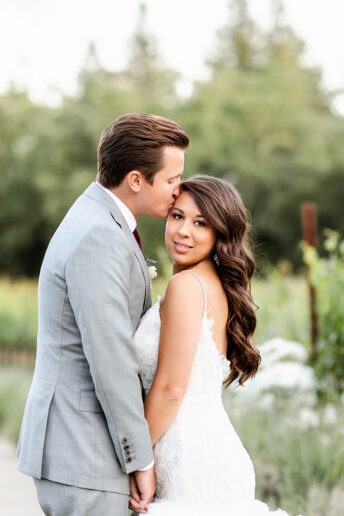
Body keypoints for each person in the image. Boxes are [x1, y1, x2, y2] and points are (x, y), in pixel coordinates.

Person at [16, 113, 189, 516]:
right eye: (170, 179)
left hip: (81, 450)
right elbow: (110, 360)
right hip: (85, 453)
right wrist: (141, 459)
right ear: (135, 180)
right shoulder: (100, 235)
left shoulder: (97, 219)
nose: (178, 190)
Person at [130, 175, 300, 516]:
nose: (183, 231)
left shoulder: (187, 286)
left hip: (191, 465)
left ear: (220, 232)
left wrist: (134, 455)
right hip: (210, 452)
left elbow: (171, 389)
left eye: (200, 223)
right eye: (177, 216)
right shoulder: (213, 285)